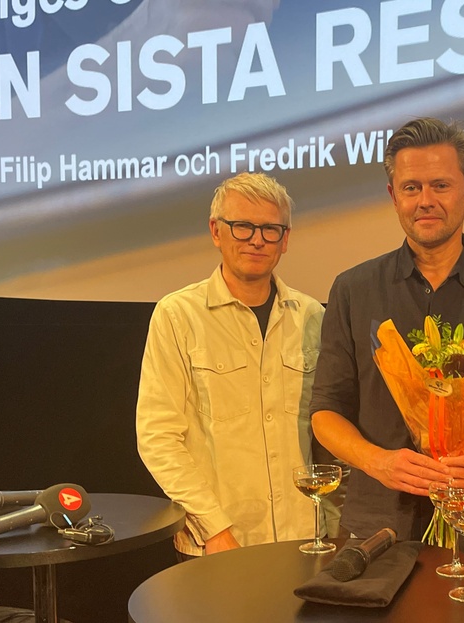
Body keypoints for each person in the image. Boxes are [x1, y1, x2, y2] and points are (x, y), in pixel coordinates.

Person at [310, 117, 464, 542]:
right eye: (411, 187)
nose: (425, 200)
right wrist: (377, 462)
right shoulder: (353, 289)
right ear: (393, 197)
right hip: (375, 527)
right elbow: (325, 411)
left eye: (441, 185)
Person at [136, 172, 325, 558]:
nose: (257, 239)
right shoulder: (177, 316)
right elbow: (158, 437)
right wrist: (214, 529)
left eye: (270, 229)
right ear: (216, 231)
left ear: (285, 239)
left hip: (306, 541)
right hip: (217, 546)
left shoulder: (312, 316)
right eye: (242, 227)